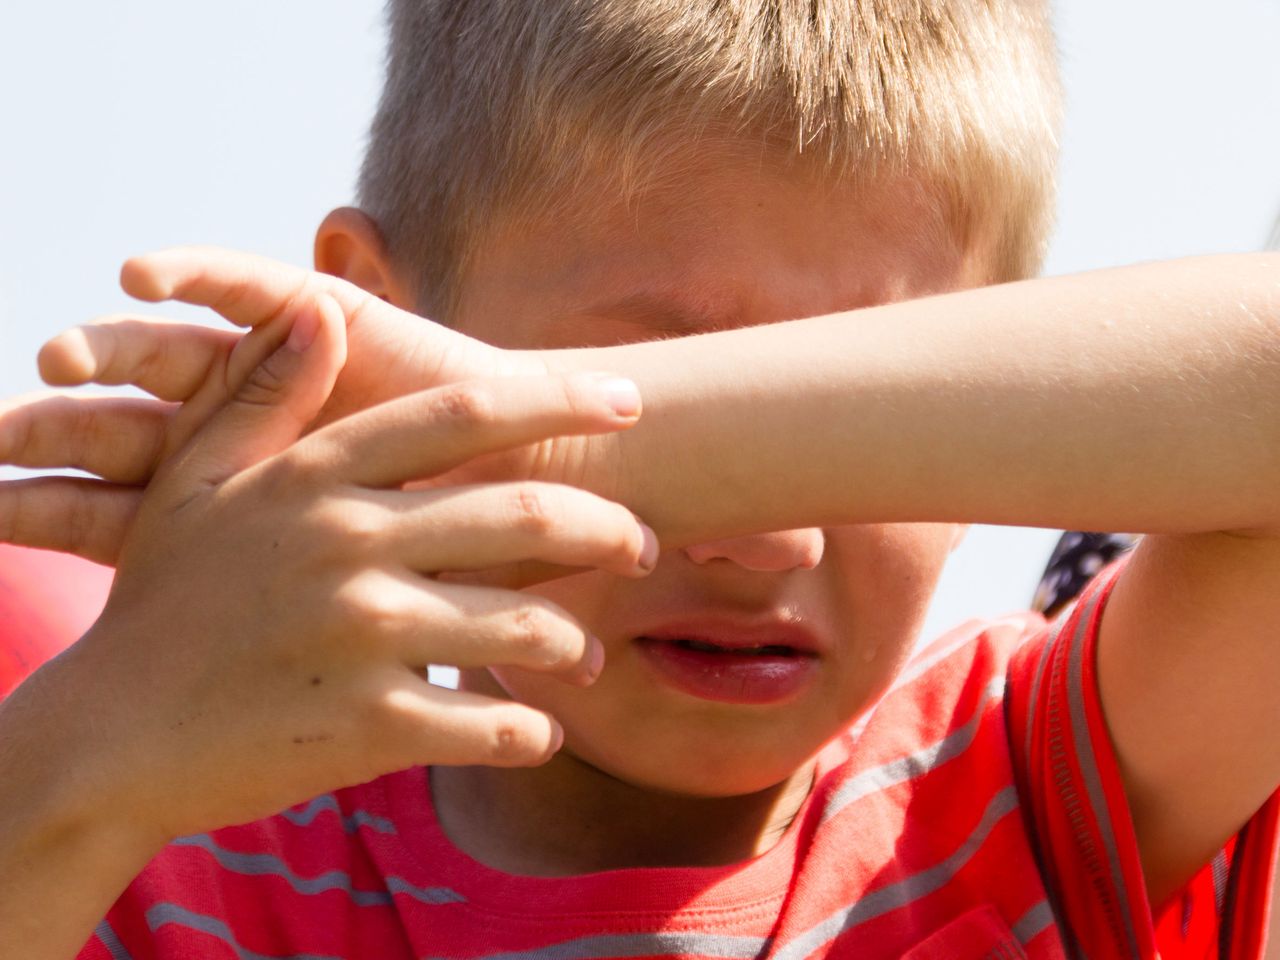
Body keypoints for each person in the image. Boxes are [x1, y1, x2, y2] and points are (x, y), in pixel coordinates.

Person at [1, 2, 1278, 957]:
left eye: (850, 415)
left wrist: (581, 443)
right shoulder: (180, 883)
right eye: (645, 372)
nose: (761, 536)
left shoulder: (1029, 785)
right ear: (376, 318)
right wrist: (92, 747)